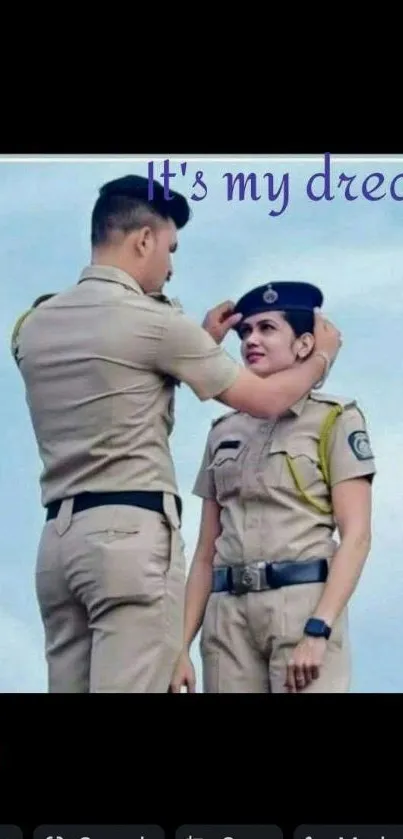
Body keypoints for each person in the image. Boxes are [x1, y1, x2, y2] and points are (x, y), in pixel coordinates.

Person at [11, 175, 342, 693]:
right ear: (143, 239)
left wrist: (201, 342)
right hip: (128, 544)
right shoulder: (154, 322)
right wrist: (321, 355)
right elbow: (270, 399)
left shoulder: (34, 325)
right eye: (170, 248)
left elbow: (118, 380)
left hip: (57, 546)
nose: (171, 265)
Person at [170, 280, 375, 694]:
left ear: (303, 346)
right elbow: (206, 553)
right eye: (245, 332)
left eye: (267, 328)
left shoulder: (336, 418)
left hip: (301, 606)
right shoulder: (223, 431)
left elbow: (357, 536)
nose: (251, 340)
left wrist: (319, 630)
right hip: (227, 618)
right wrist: (180, 647)